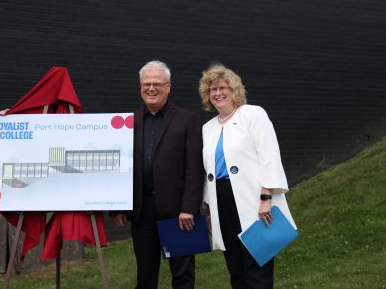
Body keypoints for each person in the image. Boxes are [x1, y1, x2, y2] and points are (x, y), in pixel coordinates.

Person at [198, 63, 296, 289]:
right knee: (235, 269)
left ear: (234, 91)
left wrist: (266, 197)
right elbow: (208, 172)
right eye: (212, 89)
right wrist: (211, 211)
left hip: (253, 199)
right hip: (221, 201)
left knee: (257, 266)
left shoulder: (253, 114)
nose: (218, 93)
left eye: (223, 88)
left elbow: (269, 155)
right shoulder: (208, 128)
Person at [111, 60, 204, 289]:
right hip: (142, 211)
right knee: (145, 274)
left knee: (182, 275)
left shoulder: (187, 119)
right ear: (140, 87)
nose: (151, 88)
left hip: (178, 212)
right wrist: (118, 207)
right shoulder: (128, 122)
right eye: (146, 84)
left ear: (168, 87)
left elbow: (194, 167)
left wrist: (189, 208)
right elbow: (121, 166)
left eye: (157, 84)